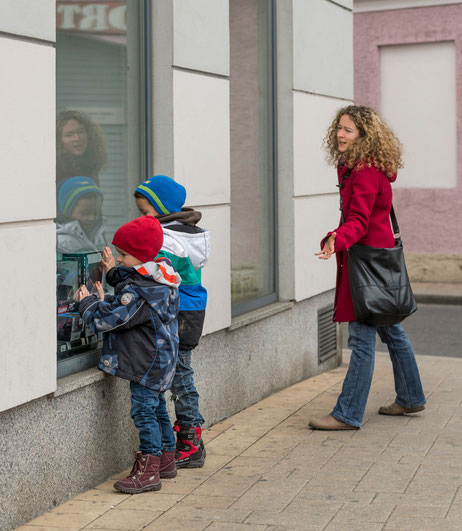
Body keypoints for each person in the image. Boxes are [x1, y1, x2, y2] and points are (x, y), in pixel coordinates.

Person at [309, 105, 426, 431]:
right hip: (376, 259)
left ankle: (347, 414)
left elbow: (358, 221)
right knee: (391, 329)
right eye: (339, 128)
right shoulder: (360, 168)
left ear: (364, 135)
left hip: (368, 265)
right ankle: (411, 396)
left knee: (361, 339)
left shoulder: (364, 172)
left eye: (347, 130)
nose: (340, 134)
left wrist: (336, 237)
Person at [76, 215, 181, 493]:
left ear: (141, 256)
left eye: (123, 254)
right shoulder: (159, 275)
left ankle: (148, 471)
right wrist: (112, 275)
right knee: (157, 408)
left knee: (143, 412)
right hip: (160, 362)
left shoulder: (141, 293)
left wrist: (87, 303)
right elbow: (130, 281)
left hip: (146, 364)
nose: (119, 259)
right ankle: (166, 460)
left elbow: (112, 319)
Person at [134, 175, 210, 468]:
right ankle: (189, 438)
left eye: (145, 212)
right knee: (180, 373)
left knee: (180, 376)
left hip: (181, 314)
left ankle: (191, 441)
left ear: (162, 208)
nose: (141, 217)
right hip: (186, 310)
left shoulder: (169, 239)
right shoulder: (177, 233)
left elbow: (156, 272)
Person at [56, 110, 107, 187]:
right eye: (69, 135)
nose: (77, 138)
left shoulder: (90, 165)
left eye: (80, 132)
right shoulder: (54, 169)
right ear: (58, 140)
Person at [56, 176, 107, 254]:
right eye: (85, 213)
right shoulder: (61, 241)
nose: (92, 218)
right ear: (67, 212)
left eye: (96, 213)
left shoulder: (96, 234)